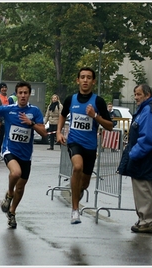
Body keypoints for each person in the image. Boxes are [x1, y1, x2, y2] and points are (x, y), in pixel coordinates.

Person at [56, 67, 113, 224]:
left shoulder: (98, 101)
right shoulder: (70, 99)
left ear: (93, 81)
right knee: (77, 167)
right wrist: (59, 132)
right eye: (83, 77)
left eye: (89, 77)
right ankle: (75, 210)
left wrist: (95, 116)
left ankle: (77, 190)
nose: (85, 80)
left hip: (90, 146)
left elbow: (109, 126)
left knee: (85, 183)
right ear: (78, 80)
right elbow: (62, 116)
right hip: (74, 141)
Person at [0, 81, 47, 229]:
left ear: (29, 94)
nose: (22, 96)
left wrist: (31, 124)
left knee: (20, 189)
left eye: (25, 93)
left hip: (26, 155)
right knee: (15, 173)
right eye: (20, 93)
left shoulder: (35, 111)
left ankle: (12, 213)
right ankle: (9, 194)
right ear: (16, 94)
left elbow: (44, 133)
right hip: (10, 150)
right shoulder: (9, 109)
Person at [117, 84, 152, 234]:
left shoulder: (149, 111)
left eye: (139, 94)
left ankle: (147, 221)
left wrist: (134, 154)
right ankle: (144, 219)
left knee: (143, 188)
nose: (136, 97)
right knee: (141, 188)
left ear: (147, 94)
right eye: (135, 94)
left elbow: (148, 137)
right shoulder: (147, 109)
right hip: (142, 155)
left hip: (143, 156)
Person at [0, 82, 9, 160]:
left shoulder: (7, 97)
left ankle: (1, 153)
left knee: (4, 138)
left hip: (6, 121)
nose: (4, 89)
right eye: (2, 88)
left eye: (5, 87)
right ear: (0, 89)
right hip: (0, 121)